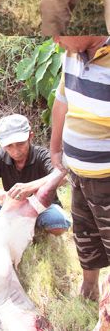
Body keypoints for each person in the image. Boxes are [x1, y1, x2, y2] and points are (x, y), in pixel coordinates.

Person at [50, 35, 110, 300]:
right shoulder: (72, 54)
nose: (55, 41)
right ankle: (89, 287)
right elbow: (62, 100)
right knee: (85, 233)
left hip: (106, 177)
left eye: (59, 33)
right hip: (78, 173)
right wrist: (55, 148)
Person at [0, 113, 70, 236]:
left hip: (42, 207)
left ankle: (33, 228)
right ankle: (23, 225)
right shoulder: (1, 156)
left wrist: (30, 187)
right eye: (9, 146)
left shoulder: (42, 155)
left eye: (20, 143)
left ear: (30, 137)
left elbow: (63, 177)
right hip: (14, 207)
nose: (15, 151)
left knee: (58, 223)